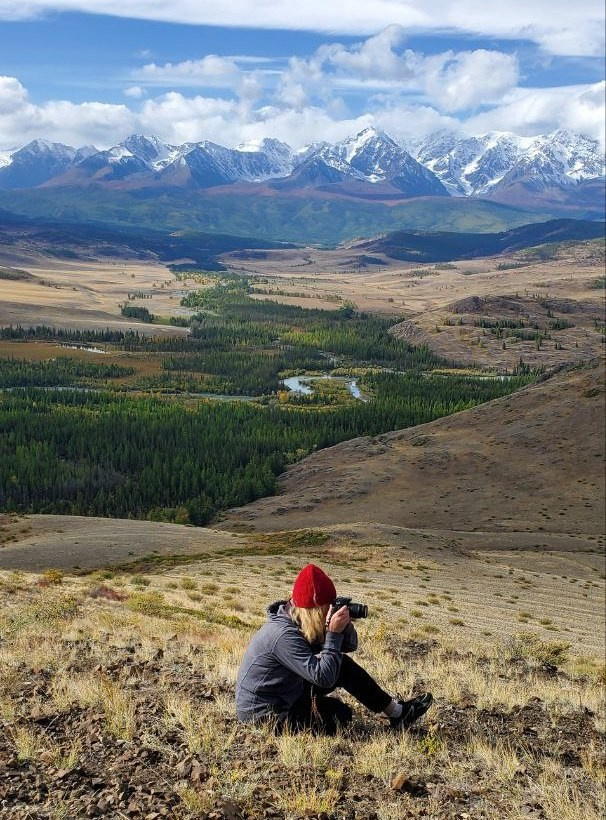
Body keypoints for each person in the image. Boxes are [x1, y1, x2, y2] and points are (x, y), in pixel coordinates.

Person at [236, 563, 433, 735]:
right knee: (340, 716)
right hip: (266, 714)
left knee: (342, 666)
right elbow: (324, 677)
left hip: (286, 691)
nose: (329, 612)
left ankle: (398, 713)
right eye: (326, 608)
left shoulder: (298, 620)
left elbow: (349, 647)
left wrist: (343, 627)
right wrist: (333, 634)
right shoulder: (282, 635)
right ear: (315, 611)